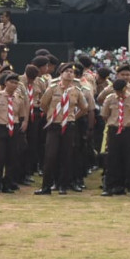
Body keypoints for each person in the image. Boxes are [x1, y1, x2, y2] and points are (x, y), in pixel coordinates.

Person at [36, 63, 87, 195]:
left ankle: (63, 185)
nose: (69, 73)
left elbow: (84, 108)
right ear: (61, 74)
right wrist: (51, 115)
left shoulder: (76, 90)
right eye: (67, 71)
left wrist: (73, 117)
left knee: (67, 155)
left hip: (68, 125)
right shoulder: (52, 88)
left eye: (72, 72)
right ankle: (46, 186)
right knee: (50, 155)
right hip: (54, 125)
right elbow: (43, 104)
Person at [101, 77, 130, 197]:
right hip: (114, 130)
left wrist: (128, 122)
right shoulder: (110, 99)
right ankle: (110, 186)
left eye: (121, 91)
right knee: (112, 159)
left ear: (125, 89)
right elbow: (105, 114)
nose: (119, 94)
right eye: (117, 91)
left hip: (129, 130)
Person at [0, 73, 25, 194]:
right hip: (0, 127)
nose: (14, 85)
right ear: (6, 83)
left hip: (14, 128)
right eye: (11, 82)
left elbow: (21, 114)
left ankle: (7, 184)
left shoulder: (19, 98)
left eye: (16, 83)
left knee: (12, 157)